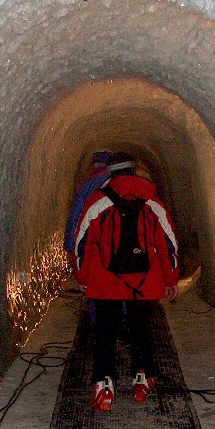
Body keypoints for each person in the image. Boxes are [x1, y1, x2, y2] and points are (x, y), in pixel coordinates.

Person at [74, 152, 179, 411]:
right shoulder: (152, 202)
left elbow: (82, 245)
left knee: (105, 334)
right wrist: (170, 279)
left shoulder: (98, 202)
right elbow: (168, 244)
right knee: (141, 330)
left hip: (105, 281)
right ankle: (142, 379)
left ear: (110, 173)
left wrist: (83, 277)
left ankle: (103, 386)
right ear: (133, 171)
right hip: (144, 282)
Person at [63, 150, 112, 270]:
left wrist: (70, 246)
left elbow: (75, 215)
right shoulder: (116, 183)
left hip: (90, 237)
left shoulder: (86, 186)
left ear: (95, 165)